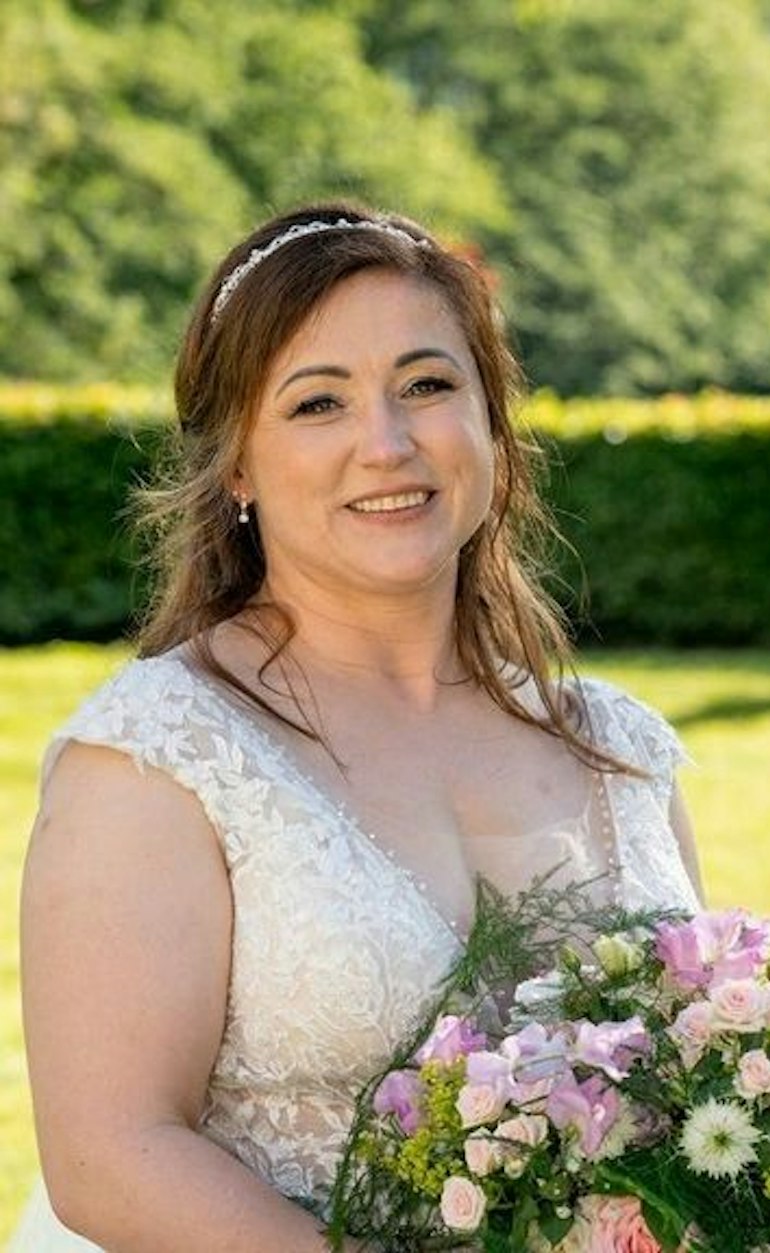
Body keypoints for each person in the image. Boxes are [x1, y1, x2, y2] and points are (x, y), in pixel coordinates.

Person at [12, 203, 704, 1250]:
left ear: (490, 424)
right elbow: (112, 1154)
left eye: (427, 386)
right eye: (317, 403)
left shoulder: (618, 748)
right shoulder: (158, 755)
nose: (386, 444)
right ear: (237, 466)